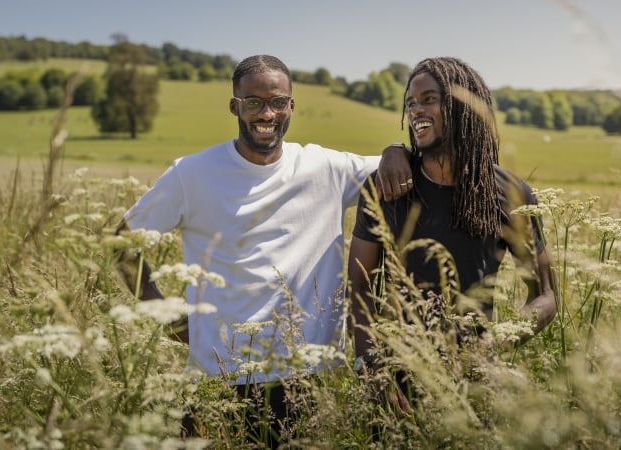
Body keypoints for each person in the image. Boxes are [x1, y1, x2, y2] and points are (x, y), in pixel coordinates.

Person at [117, 54, 413, 447]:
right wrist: (169, 318)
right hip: (219, 382)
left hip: (310, 380)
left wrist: (396, 146)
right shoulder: (191, 174)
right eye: (253, 102)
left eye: (277, 102)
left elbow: (404, 171)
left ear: (291, 106)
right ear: (234, 106)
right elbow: (121, 245)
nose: (266, 113)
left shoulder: (325, 167)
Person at [348, 57, 557, 403]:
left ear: (463, 105)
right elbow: (360, 287)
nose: (416, 110)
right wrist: (372, 367)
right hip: (397, 387)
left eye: (429, 99)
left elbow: (545, 296)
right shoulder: (388, 185)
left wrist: (496, 343)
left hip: (474, 383)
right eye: (411, 103)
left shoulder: (510, 194)